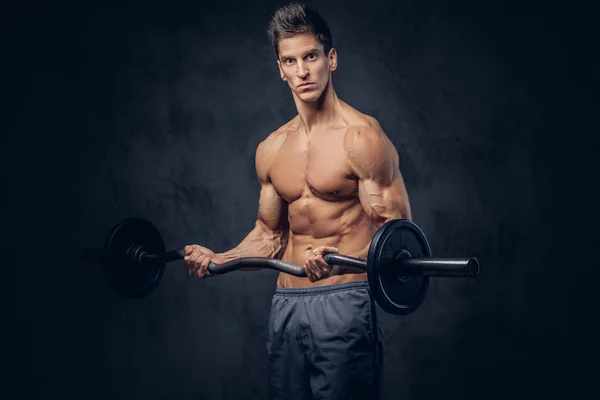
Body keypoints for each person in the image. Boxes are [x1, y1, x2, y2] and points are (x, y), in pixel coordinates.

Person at [183, 3, 411, 399]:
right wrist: (221, 258)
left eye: (311, 56)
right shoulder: (272, 149)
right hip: (287, 302)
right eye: (290, 61)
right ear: (280, 68)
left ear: (331, 59)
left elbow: (400, 243)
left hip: (345, 300)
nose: (302, 71)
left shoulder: (361, 138)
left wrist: (337, 254)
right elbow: (268, 236)